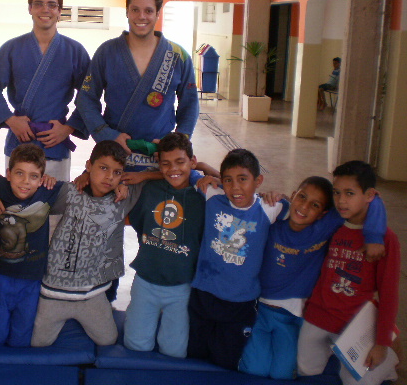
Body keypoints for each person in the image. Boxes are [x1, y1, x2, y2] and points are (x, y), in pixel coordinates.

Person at [239, 176, 387, 379]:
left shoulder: (324, 227)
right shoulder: (275, 216)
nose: (304, 207)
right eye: (302, 197)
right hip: (260, 310)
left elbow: (371, 199)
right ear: (293, 195)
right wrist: (270, 196)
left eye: (315, 205)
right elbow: (241, 196)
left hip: (293, 318)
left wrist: (375, 236)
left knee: (282, 374)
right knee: (254, 370)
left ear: (323, 214)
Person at [76, 0, 199, 172]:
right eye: (135, 10)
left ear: (157, 14)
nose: (141, 16)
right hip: (114, 153)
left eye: (148, 11)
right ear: (127, 12)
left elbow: (189, 103)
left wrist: (179, 142)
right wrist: (106, 134)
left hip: (159, 155)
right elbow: (86, 98)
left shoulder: (177, 56)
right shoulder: (107, 52)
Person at [30, 141, 144, 347]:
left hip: (92, 294)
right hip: (53, 294)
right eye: (103, 168)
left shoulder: (122, 198)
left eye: (117, 172)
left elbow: (170, 174)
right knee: (38, 343)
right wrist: (44, 179)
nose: (109, 177)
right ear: (89, 165)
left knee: (108, 340)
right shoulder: (70, 191)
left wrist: (141, 177)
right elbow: (25, 188)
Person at [297, 161, 400, 385]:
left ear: (369, 195)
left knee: (353, 380)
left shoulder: (385, 239)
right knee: (306, 369)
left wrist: (382, 343)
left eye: (350, 193)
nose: (341, 201)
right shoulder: (333, 225)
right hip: (319, 315)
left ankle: (388, 362)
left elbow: (389, 293)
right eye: (337, 192)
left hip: (354, 323)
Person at [0, 0, 91, 181]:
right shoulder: (12, 49)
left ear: (59, 11)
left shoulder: (75, 51)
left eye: (52, 5)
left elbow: (89, 94)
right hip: (20, 140)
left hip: (54, 143)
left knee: (55, 199)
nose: (45, 9)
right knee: (16, 197)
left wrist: (68, 128)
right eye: (38, 4)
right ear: (30, 8)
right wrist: (11, 120)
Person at [187, 149, 288, 370]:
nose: (235, 188)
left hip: (240, 303)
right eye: (228, 180)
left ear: (258, 181)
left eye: (243, 179)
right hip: (204, 294)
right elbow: (185, 172)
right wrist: (208, 175)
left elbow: (300, 208)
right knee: (193, 354)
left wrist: (279, 195)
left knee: (226, 361)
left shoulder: (269, 208)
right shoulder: (212, 195)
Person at [123, 132, 205, 358]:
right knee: (136, 345)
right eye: (166, 164)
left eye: (180, 162)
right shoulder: (149, 190)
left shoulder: (204, 197)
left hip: (182, 288)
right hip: (145, 282)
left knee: (174, 351)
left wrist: (208, 172)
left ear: (193, 161)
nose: (173, 169)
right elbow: (136, 220)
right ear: (159, 164)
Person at [0, 143, 64, 348]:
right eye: (19, 173)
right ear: (8, 174)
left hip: (32, 282)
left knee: (21, 340)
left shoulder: (48, 191)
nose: (25, 181)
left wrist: (87, 175)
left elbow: (83, 187)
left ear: (42, 179)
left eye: (33, 176)